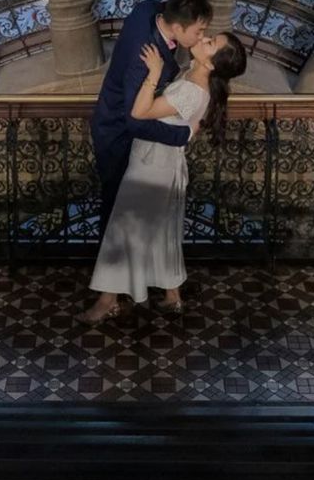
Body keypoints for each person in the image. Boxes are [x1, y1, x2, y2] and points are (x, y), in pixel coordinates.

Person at [79, 30, 247, 323]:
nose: (204, 37)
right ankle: (172, 296)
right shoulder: (195, 78)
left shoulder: (192, 90)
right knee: (162, 231)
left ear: (211, 64)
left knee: (123, 231)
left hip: (152, 168)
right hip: (163, 164)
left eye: (210, 43)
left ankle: (108, 301)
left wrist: (153, 73)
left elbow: (141, 112)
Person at [87, 0, 212, 230]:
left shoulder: (147, 9)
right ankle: (111, 264)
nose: (200, 37)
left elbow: (162, 4)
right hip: (118, 134)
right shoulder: (144, 59)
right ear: (177, 28)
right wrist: (183, 135)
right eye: (199, 31)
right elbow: (135, 120)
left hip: (112, 115)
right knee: (116, 212)